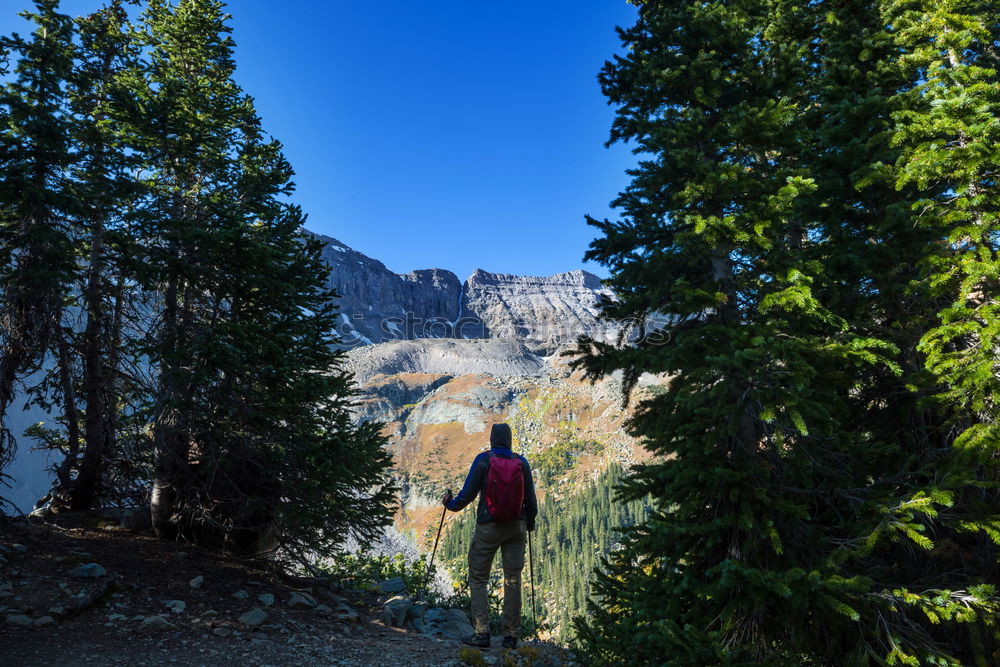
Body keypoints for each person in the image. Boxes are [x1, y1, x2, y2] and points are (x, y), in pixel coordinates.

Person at [442, 422, 538, 650]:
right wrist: (529, 525)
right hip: (516, 527)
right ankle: (511, 636)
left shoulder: (483, 460)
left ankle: (482, 633)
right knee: (513, 579)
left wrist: (450, 504)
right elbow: (531, 500)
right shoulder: (521, 462)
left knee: (478, 578)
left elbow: (467, 495)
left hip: (489, 526)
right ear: (510, 439)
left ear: (493, 439)